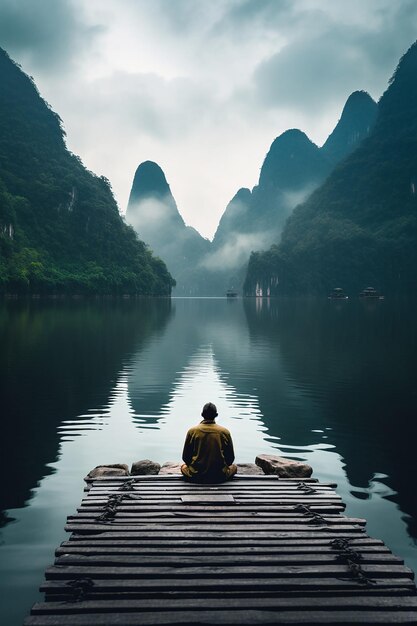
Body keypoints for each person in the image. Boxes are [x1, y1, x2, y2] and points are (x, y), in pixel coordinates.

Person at [181, 402, 237, 483]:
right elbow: (230, 459)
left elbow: (185, 458)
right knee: (234, 467)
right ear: (216, 415)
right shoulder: (224, 432)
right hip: (219, 476)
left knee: (183, 467)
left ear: (202, 414)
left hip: (196, 475)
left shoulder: (192, 431)